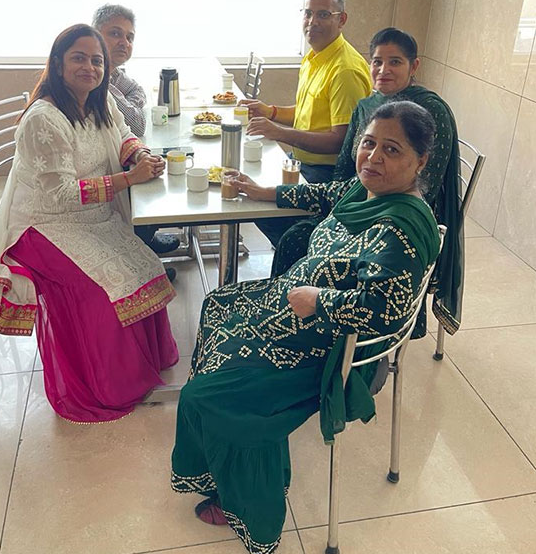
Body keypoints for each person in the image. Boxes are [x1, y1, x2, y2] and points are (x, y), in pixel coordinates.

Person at [171, 102, 440, 554]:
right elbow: (327, 193)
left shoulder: (396, 230)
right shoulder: (368, 191)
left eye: (391, 149)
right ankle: (226, 457)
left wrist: (320, 300)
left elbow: (385, 313)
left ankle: (253, 509)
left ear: (421, 161)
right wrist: (266, 192)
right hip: (298, 310)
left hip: (330, 347)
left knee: (209, 395)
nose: (373, 157)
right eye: (368, 143)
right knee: (217, 305)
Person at [0, 24, 179, 423]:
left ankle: (144, 366)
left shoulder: (98, 101)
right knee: (101, 290)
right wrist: (128, 179)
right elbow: (59, 195)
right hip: (42, 227)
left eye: (97, 60)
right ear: (58, 63)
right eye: (79, 58)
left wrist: (140, 155)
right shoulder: (44, 118)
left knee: (144, 264)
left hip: (92, 216)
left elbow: (124, 134)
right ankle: (102, 388)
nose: (89, 68)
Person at [271, 27, 464, 335]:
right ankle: (285, 312)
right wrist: (337, 211)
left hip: (393, 212)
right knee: (295, 234)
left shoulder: (431, 111)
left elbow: (426, 183)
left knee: (297, 238)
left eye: (395, 62)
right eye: (377, 61)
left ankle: (309, 328)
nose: (384, 70)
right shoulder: (367, 106)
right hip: (359, 200)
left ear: (414, 66)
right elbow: (345, 170)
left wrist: (363, 223)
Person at [240, 0, 371, 247]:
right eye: (308, 13)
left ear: (341, 20)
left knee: (261, 204)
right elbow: (307, 112)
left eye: (323, 14)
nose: (312, 22)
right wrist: (270, 111)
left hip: (326, 173)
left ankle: (300, 256)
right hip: (302, 161)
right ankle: (289, 253)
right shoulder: (315, 56)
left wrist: (279, 133)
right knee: (251, 183)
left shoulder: (345, 70)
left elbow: (340, 141)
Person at [93, 3, 180, 259]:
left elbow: (137, 91)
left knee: (151, 162)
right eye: (115, 33)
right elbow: (137, 123)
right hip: (95, 171)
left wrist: (129, 102)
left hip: (111, 153)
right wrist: (129, 104)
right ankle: (136, 248)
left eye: (129, 37)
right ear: (95, 34)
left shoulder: (113, 73)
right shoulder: (95, 78)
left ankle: (143, 240)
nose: (124, 42)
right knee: (153, 180)